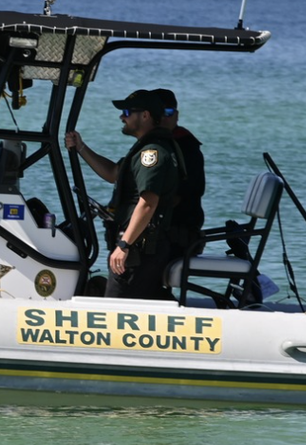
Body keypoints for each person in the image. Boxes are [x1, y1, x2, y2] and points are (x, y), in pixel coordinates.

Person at [65, 90, 182, 300]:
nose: (122, 117)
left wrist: (124, 245)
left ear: (145, 115)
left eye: (127, 112)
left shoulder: (152, 153)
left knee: (117, 306)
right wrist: (81, 147)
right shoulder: (145, 149)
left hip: (138, 250)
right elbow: (113, 174)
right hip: (140, 248)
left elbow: (148, 203)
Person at [153, 88, 206, 254]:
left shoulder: (186, 146)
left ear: (177, 115)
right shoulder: (156, 145)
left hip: (176, 235)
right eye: (159, 113)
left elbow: (178, 196)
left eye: (168, 112)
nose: (164, 118)